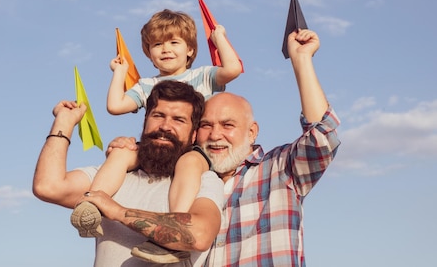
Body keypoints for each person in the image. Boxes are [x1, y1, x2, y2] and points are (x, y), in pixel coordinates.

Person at [109, 29, 341, 266]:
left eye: (227, 125)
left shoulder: (280, 170)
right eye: (206, 125)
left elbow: (321, 137)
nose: (216, 135)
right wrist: (127, 149)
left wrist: (301, 60)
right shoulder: (185, 182)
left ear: (251, 132)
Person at [71, 9, 242, 263]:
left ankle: (174, 237)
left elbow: (233, 68)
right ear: (149, 54)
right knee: (121, 152)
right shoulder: (147, 85)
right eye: (157, 44)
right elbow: (115, 106)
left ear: (190, 50)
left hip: (189, 150)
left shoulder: (202, 76)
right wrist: (120, 72)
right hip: (157, 147)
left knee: (189, 163)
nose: (166, 49)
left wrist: (219, 38)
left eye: (174, 42)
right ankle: (93, 204)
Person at [33, 80, 224, 267]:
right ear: (145, 121)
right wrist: (64, 122)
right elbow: (48, 187)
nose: (165, 126)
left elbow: (200, 235)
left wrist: (117, 211)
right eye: (158, 115)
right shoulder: (115, 173)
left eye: (178, 120)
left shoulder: (203, 180)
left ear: (193, 135)